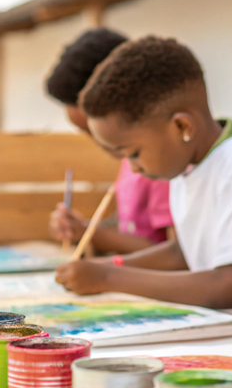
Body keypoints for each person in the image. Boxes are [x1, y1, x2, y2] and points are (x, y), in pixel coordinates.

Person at [54, 36, 232, 317]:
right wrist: (110, 267)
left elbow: (231, 286)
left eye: (134, 153)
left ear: (181, 126)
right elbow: (182, 253)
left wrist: (107, 279)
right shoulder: (188, 167)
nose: (134, 168)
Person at [46, 28, 173, 255]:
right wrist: (80, 229)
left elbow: (175, 254)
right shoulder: (130, 161)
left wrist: (90, 234)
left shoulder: (165, 164)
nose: (96, 142)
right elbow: (129, 225)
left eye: (91, 131)